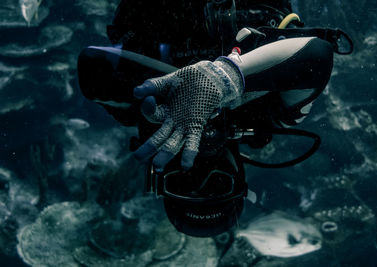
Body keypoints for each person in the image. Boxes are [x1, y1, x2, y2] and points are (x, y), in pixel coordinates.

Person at [78, 0, 352, 239]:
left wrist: (171, 94)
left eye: (184, 182)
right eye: (218, 183)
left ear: (161, 179)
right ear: (239, 176)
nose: (200, 168)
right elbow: (316, 55)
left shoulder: (143, 113)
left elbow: (92, 64)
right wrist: (225, 79)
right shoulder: (276, 116)